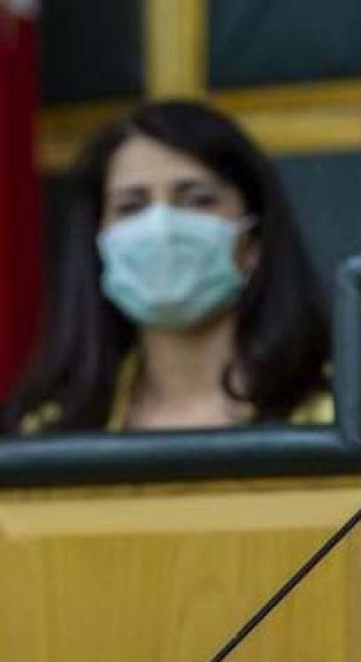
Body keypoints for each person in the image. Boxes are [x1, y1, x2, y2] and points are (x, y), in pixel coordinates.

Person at [1, 100, 331, 433]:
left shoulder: (332, 414)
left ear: (254, 238)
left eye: (197, 200)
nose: (162, 228)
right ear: (98, 241)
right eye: (131, 207)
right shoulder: (50, 429)